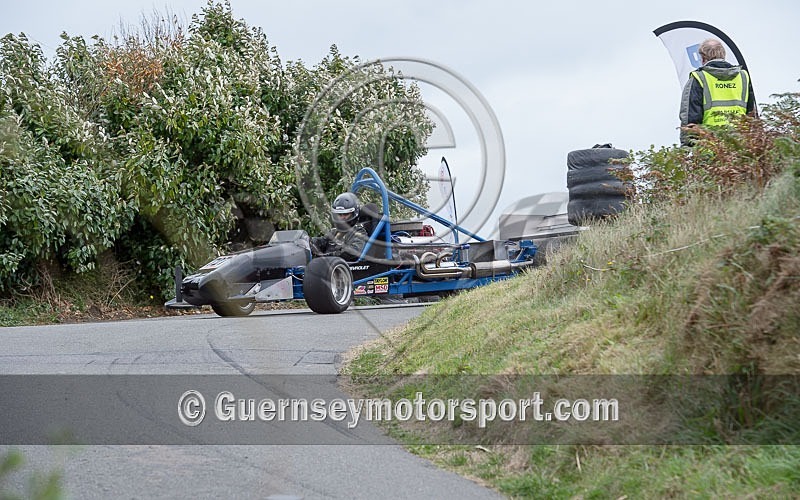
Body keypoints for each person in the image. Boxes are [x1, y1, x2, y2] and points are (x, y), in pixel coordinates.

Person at [679, 38, 756, 146]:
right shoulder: (743, 77)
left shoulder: (699, 78)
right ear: (723, 55)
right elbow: (752, 115)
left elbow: (690, 118)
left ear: (703, 58)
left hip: (709, 147)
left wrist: (687, 149)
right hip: (739, 147)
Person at [310, 192, 369, 259]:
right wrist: (309, 242)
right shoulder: (334, 232)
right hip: (327, 265)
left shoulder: (359, 231)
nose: (342, 218)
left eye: (346, 214)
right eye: (339, 214)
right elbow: (322, 242)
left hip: (344, 267)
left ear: (354, 214)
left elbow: (352, 252)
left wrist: (326, 256)